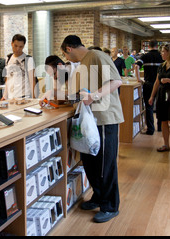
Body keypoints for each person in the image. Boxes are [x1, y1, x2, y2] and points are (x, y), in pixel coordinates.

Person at [61, 35, 123, 223]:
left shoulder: (96, 55)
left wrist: (94, 96)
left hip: (104, 119)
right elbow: (83, 93)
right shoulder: (82, 64)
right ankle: (98, 196)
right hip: (89, 121)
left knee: (105, 165)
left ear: (68, 48)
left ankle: (110, 206)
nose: (66, 58)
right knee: (90, 162)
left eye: (65, 53)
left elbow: (116, 81)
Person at [134, 40, 163, 135]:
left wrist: (138, 79)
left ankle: (150, 129)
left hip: (149, 83)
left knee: (149, 106)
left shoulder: (145, 56)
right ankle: (160, 127)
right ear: (157, 46)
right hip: (160, 84)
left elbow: (136, 66)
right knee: (160, 106)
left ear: (148, 46)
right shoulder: (161, 56)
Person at [1, 34, 36, 100]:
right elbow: (8, 79)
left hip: (24, 97)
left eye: (20, 47)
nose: (18, 49)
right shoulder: (8, 59)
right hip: (11, 97)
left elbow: (32, 81)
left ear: (23, 46)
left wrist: (34, 99)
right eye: (15, 46)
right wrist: (4, 96)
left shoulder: (28, 59)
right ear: (12, 43)